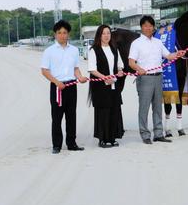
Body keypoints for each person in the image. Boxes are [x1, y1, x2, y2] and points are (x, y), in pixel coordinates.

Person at [128, 15, 185, 145]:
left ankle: (158, 134)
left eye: (150, 25)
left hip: (159, 77)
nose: (148, 28)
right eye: (145, 25)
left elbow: (169, 56)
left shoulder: (158, 42)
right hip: (144, 78)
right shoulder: (136, 43)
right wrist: (139, 69)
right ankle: (145, 134)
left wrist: (178, 54)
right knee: (144, 107)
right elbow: (131, 62)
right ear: (142, 27)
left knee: (157, 107)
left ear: (153, 27)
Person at [41, 20, 88, 154]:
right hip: (57, 88)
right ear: (55, 34)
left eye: (65, 33)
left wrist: (80, 77)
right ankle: (56, 145)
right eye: (59, 33)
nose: (62, 35)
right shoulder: (49, 51)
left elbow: (76, 68)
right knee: (57, 117)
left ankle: (72, 143)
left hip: (71, 86)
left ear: (68, 34)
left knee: (71, 116)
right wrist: (56, 82)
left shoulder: (73, 50)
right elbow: (44, 71)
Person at [88, 25, 125, 148]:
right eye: (103, 33)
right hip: (100, 86)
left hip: (114, 85)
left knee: (114, 110)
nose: (106, 36)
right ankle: (103, 139)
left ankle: (112, 137)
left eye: (108, 33)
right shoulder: (94, 50)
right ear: (99, 35)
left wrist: (119, 71)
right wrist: (105, 78)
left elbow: (120, 64)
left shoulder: (114, 48)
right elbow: (92, 69)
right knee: (103, 111)